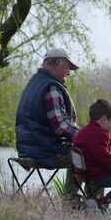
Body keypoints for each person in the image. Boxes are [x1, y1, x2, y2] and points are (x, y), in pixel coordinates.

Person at [15, 47, 80, 196]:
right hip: (44, 151)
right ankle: (76, 203)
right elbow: (61, 126)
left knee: (82, 152)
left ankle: (76, 201)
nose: (69, 73)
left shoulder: (34, 84)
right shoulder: (51, 87)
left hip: (27, 150)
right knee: (89, 154)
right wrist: (85, 136)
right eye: (67, 68)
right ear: (55, 64)